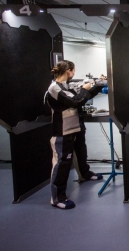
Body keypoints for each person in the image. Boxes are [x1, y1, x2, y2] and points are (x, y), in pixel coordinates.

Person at [45, 60, 104, 210]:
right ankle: (57, 198)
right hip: (63, 131)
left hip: (75, 127)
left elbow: (84, 97)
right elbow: (76, 102)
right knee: (62, 163)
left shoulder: (66, 86)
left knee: (81, 152)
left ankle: (84, 174)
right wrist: (84, 89)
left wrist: (98, 85)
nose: (74, 73)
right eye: (73, 71)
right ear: (68, 71)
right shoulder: (54, 89)